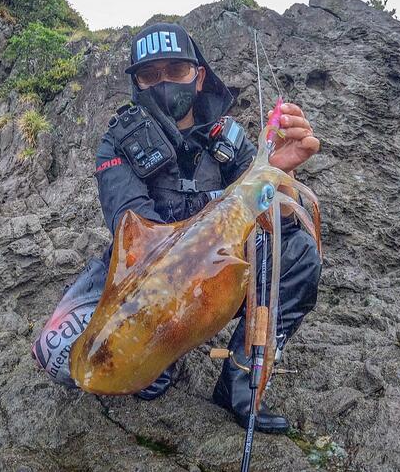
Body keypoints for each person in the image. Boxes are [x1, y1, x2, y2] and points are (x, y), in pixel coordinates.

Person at [33, 22, 321, 434]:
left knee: (299, 253)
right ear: (137, 83)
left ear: (198, 76)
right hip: (142, 270)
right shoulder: (118, 142)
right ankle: (167, 349)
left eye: (176, 70)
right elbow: (133, 231)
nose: (164, 82)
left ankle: (241, 381)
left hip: (216, 273)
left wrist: (276, 174)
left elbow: (276, 222)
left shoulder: (231, 141)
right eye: (150, 75)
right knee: (59, 354)